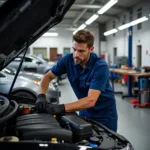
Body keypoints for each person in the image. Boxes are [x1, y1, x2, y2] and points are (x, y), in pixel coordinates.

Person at [35, 29, 118, 132]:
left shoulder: (100, 66)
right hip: (83, 110)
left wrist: (62, 108)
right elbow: (47, 77)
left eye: (81, 51)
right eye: (74, 49)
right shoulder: (68, 60)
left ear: (91, 49)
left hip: (104, 116)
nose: (76, 54)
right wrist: (41, 95)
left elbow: (91, 100)